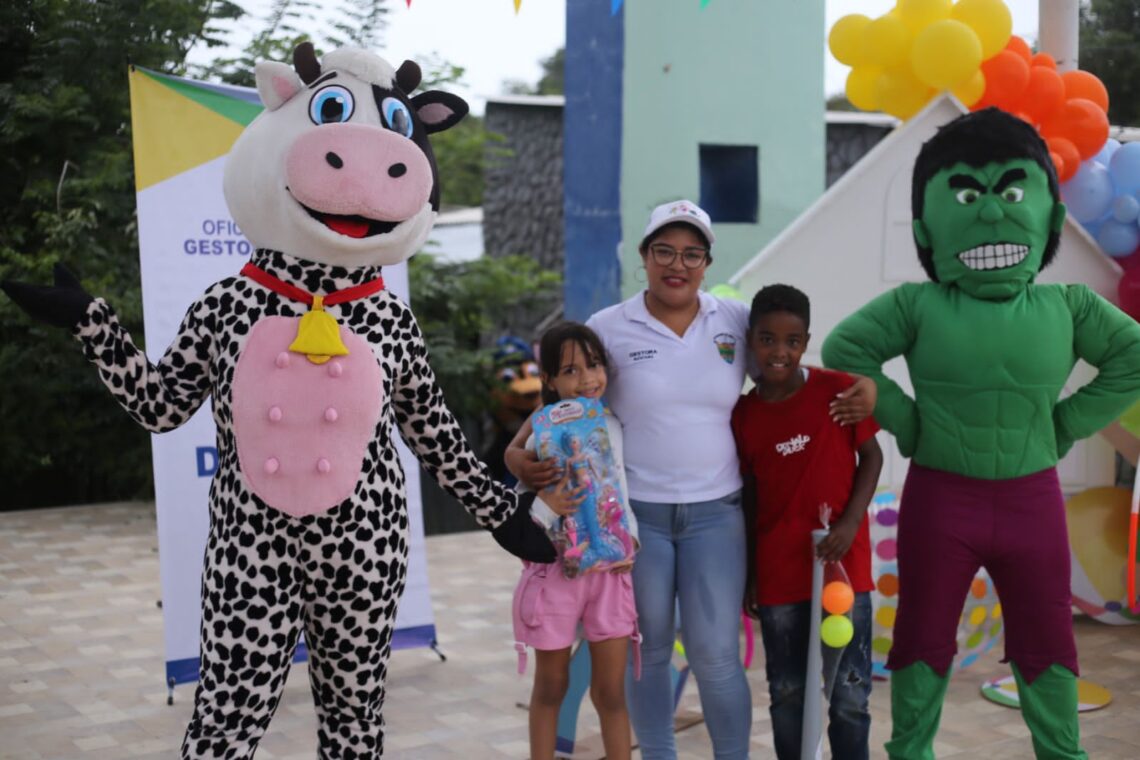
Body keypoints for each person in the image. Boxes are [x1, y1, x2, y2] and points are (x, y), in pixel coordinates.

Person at [822, 108, 1140, 759]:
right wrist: (908, 422)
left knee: (1048, 637)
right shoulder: (918, 305)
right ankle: (910, 752)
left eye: (1011, 194)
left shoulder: (1068, 305)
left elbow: (1133, 355)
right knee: (922, 634)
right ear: (924, 228)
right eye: (969, 195)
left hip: (1032, 500)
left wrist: (1067, 424)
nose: (993, 214)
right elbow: (845, 346)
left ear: (1050, 217)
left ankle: (1063, 754)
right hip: (943, 501)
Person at [508, 200, 877, 759]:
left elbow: (786, 372)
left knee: (715, 654)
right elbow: (566, 410)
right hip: (639, 520)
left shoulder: (731, 320)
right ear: (645, 256)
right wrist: (523, 465)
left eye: (691, 253)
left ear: (706, 262)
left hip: (717, 515)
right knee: (649, 650)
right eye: (664, 251)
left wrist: (863, 387)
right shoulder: (610, 327)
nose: (676, 264)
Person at [731, 284, 883, 760]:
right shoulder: (744, 416)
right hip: (779, 577)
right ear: (751, 341)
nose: (780, 351)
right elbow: (750, 501)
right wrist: (751, 575)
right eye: (767, 339)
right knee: (788, 693)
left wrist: (849, 524)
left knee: (850, 695)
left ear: (806, 341)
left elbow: (871, 458)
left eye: (792, 341)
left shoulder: (837, 391)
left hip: (843, 571)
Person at [510, 321, 640, 760]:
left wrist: (630, 541)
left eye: (594, 364)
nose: (587, 379)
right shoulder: (543, 425)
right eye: (570, 370)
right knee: (552, 686)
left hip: (610, 572)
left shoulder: (612, 422)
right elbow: (523, 497)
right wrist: (548, 501)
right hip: (554, 573)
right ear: (548, 379)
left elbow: (620, 487)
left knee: (610, 693)